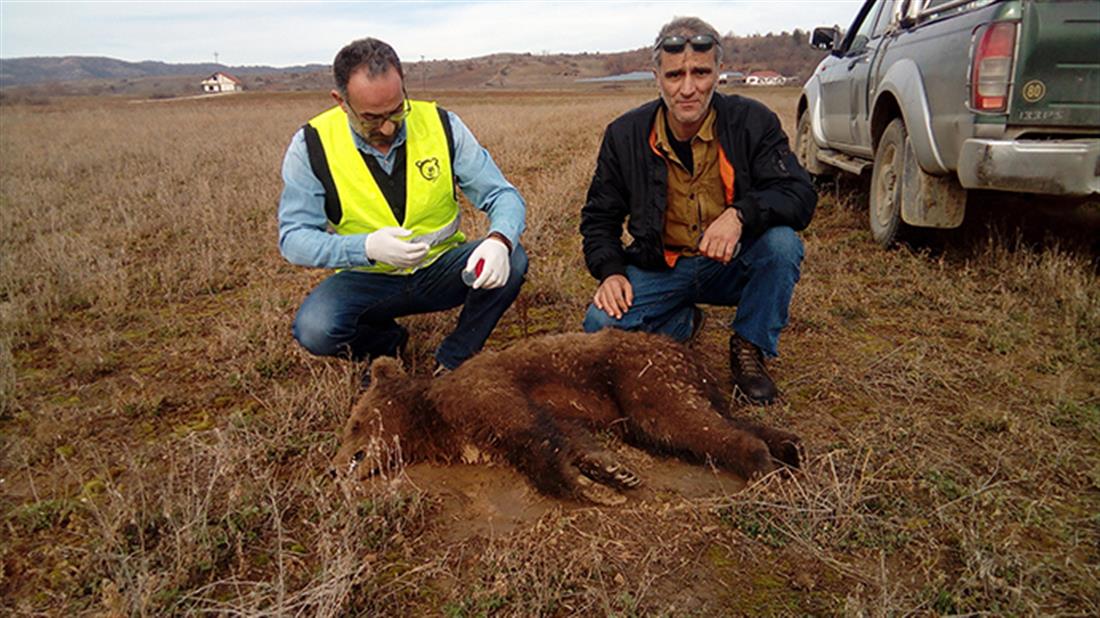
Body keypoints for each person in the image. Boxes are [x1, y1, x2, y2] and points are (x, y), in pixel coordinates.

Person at [580, 17, 816, 404]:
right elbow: (599, 217)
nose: (688, 88)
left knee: (781, 245)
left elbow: (799, 194)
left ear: (718, 73)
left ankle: (749, 348)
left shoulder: (752, 121)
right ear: (657, 76)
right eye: (675, 75)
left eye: (701, 72)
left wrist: (739, 215)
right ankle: (683, 321)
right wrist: (610, 272)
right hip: (661, 266)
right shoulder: (624, 135)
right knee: (599, 325)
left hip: (729, 264)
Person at [278, 38, 527, 382]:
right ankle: (387, 344)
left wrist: (499, 240)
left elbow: (502, 195)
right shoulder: (311, 145)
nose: (387, 128)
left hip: (441, 268)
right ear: (341, 102)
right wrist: (364, 248)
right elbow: (293, 239)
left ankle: (454, 361)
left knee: (513, 260)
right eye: (370, 118)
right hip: (368, 279)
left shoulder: (442, 125)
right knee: (316, 328)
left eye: (396, 111)